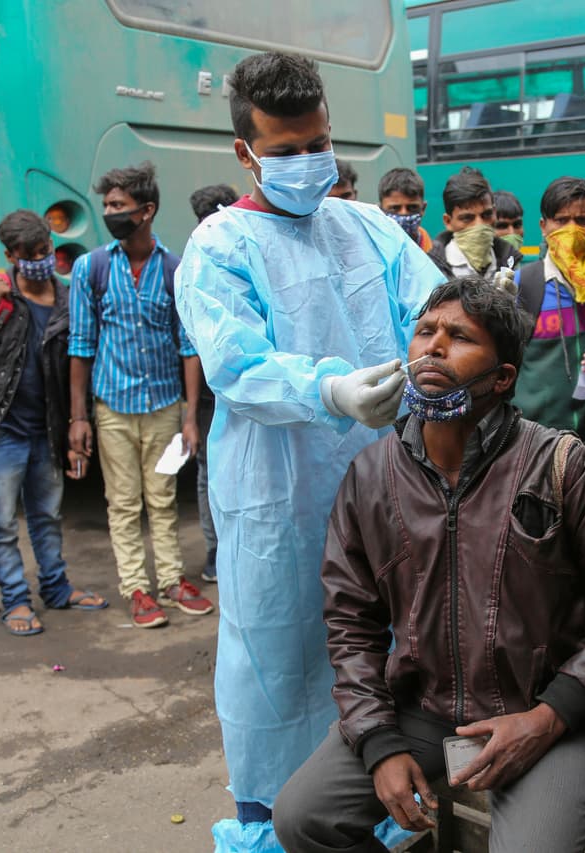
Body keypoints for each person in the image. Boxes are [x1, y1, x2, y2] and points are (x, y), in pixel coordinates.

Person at [272, 277, 585, 853]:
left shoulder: (559, 463)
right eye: (425, 332)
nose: (433, 347)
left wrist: (552, 715)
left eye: (459, 337)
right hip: (421, 708)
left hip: (546, 710)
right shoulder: (370, 476)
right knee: (302, 818)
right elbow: (350, 622)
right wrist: (379, 740)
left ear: (502, 377)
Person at [174, 51, 446, 836]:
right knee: (278, 668)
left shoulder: (366, 228)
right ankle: (267, 817)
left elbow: (433, 311)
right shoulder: (219, 247)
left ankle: (382, 801)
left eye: (318, 144)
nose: (306, 163)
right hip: (280, 500)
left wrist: (446, 352)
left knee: (388, 646)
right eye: (285, 151)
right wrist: (328, 390)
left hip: (387, 487)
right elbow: (236, 363)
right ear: (245, 153)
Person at [0, 211, 108, 635]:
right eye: (28, 255)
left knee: (47, 515)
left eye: (45, 250)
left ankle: (56, 588)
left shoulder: (68, 300)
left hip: (47, 429)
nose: (40, 260)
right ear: (10, 255)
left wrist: (75, 425)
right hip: (1, 429)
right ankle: (15, 600)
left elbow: (80, 363)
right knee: (2, 522)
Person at [67, 161, 214, 629]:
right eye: (107, 204)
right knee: (125, 503)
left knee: (164, 498)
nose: (109, 212)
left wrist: (191, 415)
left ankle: (171, 581)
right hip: (111, 411)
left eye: (118, 205)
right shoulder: (91, 269)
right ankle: (136, 586)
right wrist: (79, 417)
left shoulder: (174, 270)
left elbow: (188, 347)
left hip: (166, 410)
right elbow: (80, 347)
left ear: (146, 210)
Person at [512, 177, 585, 439]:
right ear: (544, 226)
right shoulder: (523, 284)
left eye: (582, 220)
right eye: (562, 220)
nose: (572, 229)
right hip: (536, 441)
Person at [186, 183, 240, 583]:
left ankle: (218, 551)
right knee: (214, 473)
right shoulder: (197, 263)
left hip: (217, 395)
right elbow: (190, 349)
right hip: (213, 395)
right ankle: (219, 551)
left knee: (216, 474)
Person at [427, 167, 520, 281]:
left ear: (495, 213)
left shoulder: (510, 261)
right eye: (467, 218)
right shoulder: (431, 269)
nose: (479, 224)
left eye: (486, 215)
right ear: (448, 221)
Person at [378, 166, 432, 252]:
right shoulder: (371, 248)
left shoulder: (434, 251)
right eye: (395, 208)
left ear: (423, 209)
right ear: (380, 211)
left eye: (412, 207)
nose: (404, 213)